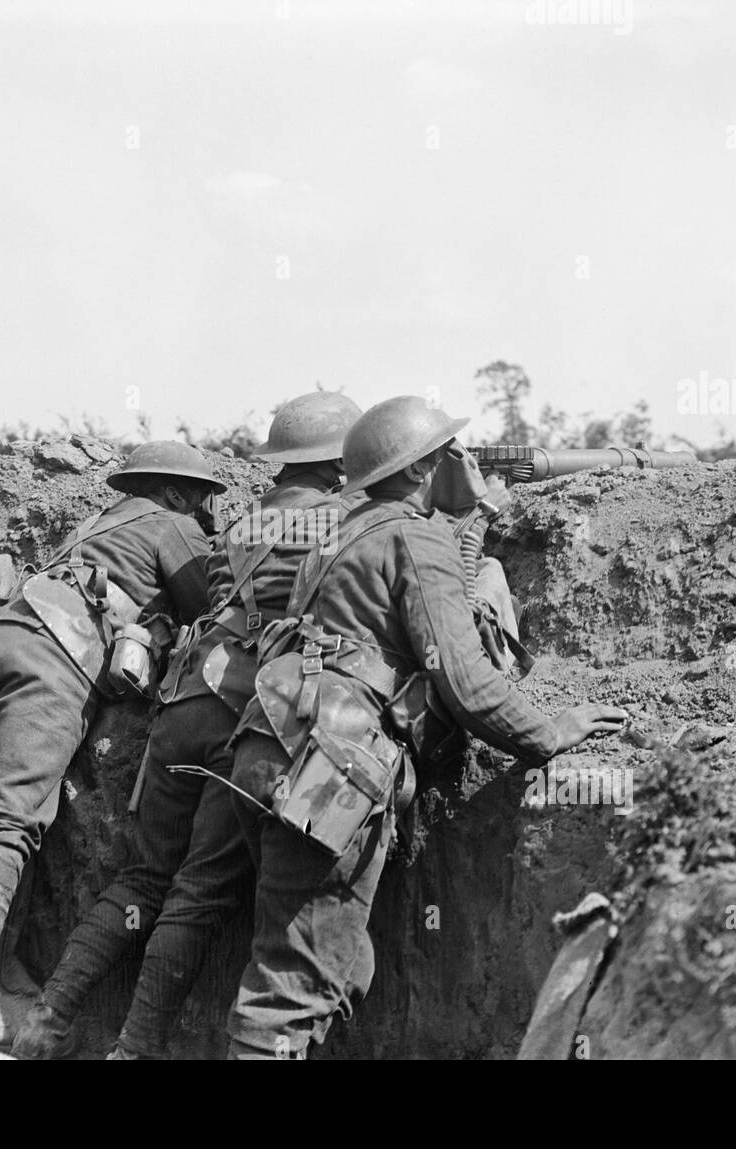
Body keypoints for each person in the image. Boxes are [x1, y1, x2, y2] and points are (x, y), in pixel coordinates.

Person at [222, 395, 628, 1059]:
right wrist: (549, 732)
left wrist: (468, 513)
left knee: (327, 962)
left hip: (270, 747)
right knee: (294, 981)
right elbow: (465, 681)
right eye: (448, 453)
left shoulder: (341, 531)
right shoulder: (413, 536)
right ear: (418, 470)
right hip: (329, 767)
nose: (462, 461)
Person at [14, 392, 364, 1060]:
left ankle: (46, 1019)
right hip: (249, 714)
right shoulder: (345, 520)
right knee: (198, 892)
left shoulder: (237, 525)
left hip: (183, 704)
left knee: (140, 879)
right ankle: (134, 1048)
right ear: (340, 462)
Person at [0, 440, 223, 1043]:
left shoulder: (96, 525)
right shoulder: (173, 523)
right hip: (53, 653)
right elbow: (215, 605)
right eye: (206, 498)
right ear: (178, 491)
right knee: (8, 816)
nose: (209, 514)